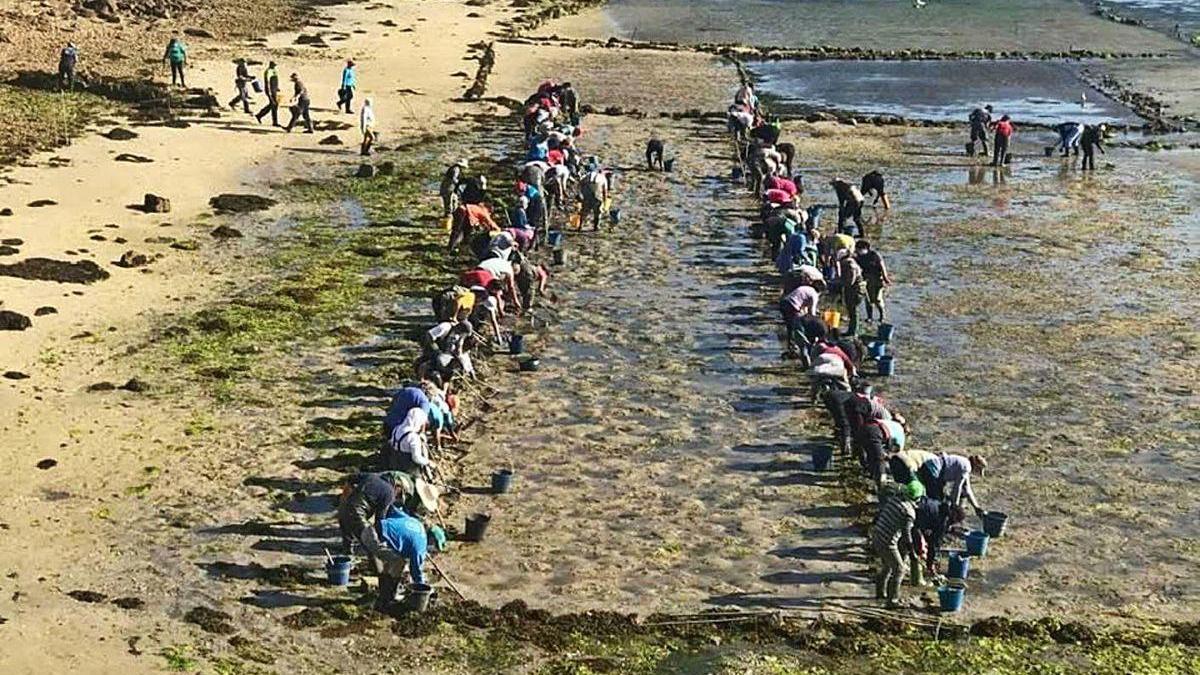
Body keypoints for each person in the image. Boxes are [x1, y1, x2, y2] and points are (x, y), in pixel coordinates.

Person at [871, 490, 918, 607]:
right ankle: (893, 600)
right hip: (886, 542)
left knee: (888, 565)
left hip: (877, 534)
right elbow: (907, 534)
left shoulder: (894, 500)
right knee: (900, 569)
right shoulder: (909, 513)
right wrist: (912, 552)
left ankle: (880, 592)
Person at [916, 453, 987, 517]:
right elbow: (957, 488)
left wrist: (977, 508)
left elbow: (967, 490)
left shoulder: (965, 464)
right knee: (936, 501)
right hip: (932, 470)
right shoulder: (967, 467)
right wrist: (955, 506)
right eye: (979, 470)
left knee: (939, 499)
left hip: (931, 469)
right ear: (976, 466)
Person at [913, 496, 966, 579]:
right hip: (913, 519)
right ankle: (916, 577)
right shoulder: (942, 521)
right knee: (916, 549)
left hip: (917, 506)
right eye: (956, 521)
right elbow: (933, 544)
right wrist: (930, 564)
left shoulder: (941, 505)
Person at [854, 240, 891, 325]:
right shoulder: (859, 257)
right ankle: (869, 317)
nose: (858, 251)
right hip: (866, 279)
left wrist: (885, 277)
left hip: (877, 279)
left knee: (877, 299)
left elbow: (882, 266)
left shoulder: (874, 255)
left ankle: (882, 315)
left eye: (860, 249)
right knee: (868, 299)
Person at [838, 249, 865, 337]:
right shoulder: (850, 262)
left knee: (853, 311)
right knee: (852, 311)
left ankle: (853, 332)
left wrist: (842, 283)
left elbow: (851, 280)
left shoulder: (849, 264)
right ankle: (852, 330)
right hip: (853, 289)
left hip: (855, 290)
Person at [580, 165, 609, 230]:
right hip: (597, 197)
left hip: (587, 196)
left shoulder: (585, 177)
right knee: (598, 212)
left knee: (584, 211)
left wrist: (583, 195)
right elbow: (605, 191)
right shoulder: (602, 178)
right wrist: (605, 201)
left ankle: (580, 226)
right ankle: (596, 226)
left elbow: (580, 186)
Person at [255, 61, 281, 126]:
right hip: (271, 90)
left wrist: (277, 87)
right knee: (273, 104)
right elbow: (268, 81)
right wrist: (269, 91)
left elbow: (275, 80)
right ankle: (261, 115)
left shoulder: (273, 70)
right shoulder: (268, 71)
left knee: (274, 105)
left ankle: (260, 115)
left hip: (274, 90)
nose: (274, 66)